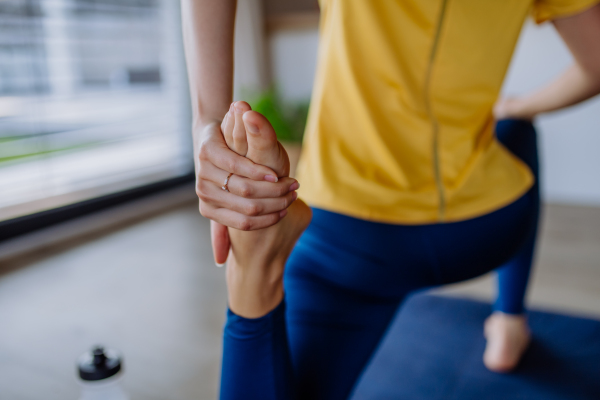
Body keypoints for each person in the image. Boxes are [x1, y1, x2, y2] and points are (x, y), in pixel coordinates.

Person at [181, 1, 600, 399]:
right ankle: (510, 320)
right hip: (485, 228)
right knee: (516, 130)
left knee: (262, 297)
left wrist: (208, 119)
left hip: (350, 242)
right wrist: (517, 107)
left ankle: (254, 271)